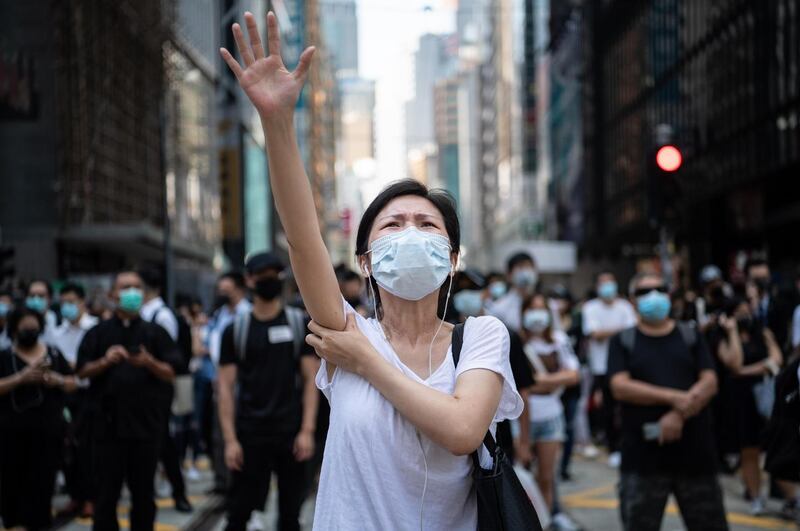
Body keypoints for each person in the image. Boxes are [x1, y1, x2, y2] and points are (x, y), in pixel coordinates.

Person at [220, 13, 524, 529]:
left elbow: (462, 431)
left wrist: (365, 361)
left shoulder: (480, 337)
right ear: (365, 260)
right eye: (392, 225)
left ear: (452, 257)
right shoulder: (345, 330)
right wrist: (276, 122)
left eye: (427, 225)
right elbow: (302, 238)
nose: (410, 233)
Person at [608, 272, 727, 531]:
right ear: (632, 300)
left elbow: (710, 381)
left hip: (696, 457)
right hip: (642, 460)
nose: (654, 296)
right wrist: (675, 397)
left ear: (669, 295)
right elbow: (620, 387)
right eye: (644, 292)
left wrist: (678, 414)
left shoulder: (691, 335)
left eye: (660, 289)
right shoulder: (623, 341)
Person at [218, 251, 320, 531]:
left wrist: (307, 430)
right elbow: (225, 388)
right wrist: (230, 440)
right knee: (238, 513)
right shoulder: (235, 330)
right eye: (263, 276)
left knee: (290, 516)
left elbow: (310, 380)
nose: (270, 280)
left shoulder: (297, 323)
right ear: (250, 280)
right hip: (249, 433)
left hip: (291, 432)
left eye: (275, 275)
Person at [76, 271, 181, 531]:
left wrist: (149, 362)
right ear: (113, 294)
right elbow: (81, 371)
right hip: (106, 427)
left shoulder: (155, 332)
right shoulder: (98, 333)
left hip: (146, 427)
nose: (131, 293)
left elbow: (172, 372)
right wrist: (105, 361)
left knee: (143, 494)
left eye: (136, 287)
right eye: (125, 288)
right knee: (105, 493)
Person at [0, 307, 78, 530]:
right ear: (14, 330)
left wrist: (56, 380)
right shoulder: (5, 357)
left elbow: (73, 383)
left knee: (43, 484)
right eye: (25, 328)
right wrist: (21, 378)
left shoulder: (53, 354)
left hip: (48, 433)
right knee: (12, 483)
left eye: (33, 328)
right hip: (12, 434)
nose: (29, 332)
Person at [518, 293, 580, 528]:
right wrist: (552, 381)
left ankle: (543, 524)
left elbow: (573, 375)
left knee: (546, 478)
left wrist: (542, 381)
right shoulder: (516, 341)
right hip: (519, 419)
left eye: (541, 309)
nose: (537, 315)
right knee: (519, 478)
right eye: (531, 309)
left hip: (551, 417)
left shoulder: (558, 340)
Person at [139, 267, 193, 513]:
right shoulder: (143, 313)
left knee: (163, 441)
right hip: (140, 390)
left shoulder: (161, 316)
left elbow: (169, 356)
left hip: (158, 389)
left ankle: (177, 491)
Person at [723, 298, 784, 515]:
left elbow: (776, 360)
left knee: (777, 445)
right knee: (749, 451)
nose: (744, 316)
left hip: (766, 397)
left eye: (747, 311)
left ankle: (791, 497)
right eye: (739, 312)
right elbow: (734, 363)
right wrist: (732, 332)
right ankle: (755, 496)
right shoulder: (724, 336)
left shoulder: (762, 332)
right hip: (741, 401)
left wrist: (746, 371)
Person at [50, 282, 99, 518]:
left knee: (89, 449)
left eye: (71, 302)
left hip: (89, 395)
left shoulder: (95, 329)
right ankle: (75, 495)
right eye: (63, 303)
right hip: (65, 394)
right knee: (67, 448)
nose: (67, 307)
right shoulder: (57, 333)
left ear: (82, 302)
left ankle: (91, 497)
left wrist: (76, 372)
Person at [581, 272, 637, 468]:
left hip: (627, 366)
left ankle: (628, 446)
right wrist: (620, 330)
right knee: (608, 409)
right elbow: (595, 334)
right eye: (603, 283)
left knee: (628, 407)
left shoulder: (625, 306)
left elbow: (633, 333)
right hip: (601, 367)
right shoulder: (590, 308)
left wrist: (610, 332)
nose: (607, 287)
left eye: (610, 282)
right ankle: (613, 448)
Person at [207, 271, 252, 494]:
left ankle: (240, 484)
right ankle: (222, 481)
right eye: (220, 290)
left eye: (227, 290)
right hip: (219, 381)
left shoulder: (249, 315)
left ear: (240, 289)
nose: (222, 294)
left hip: (243, 383)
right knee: (219, 433)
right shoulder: (219, 315)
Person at [487, 252, 539, 332]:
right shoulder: (499, 309)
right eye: (521, 267)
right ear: (509, 275)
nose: (526, 271)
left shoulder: (546, 305)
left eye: (529, 267)